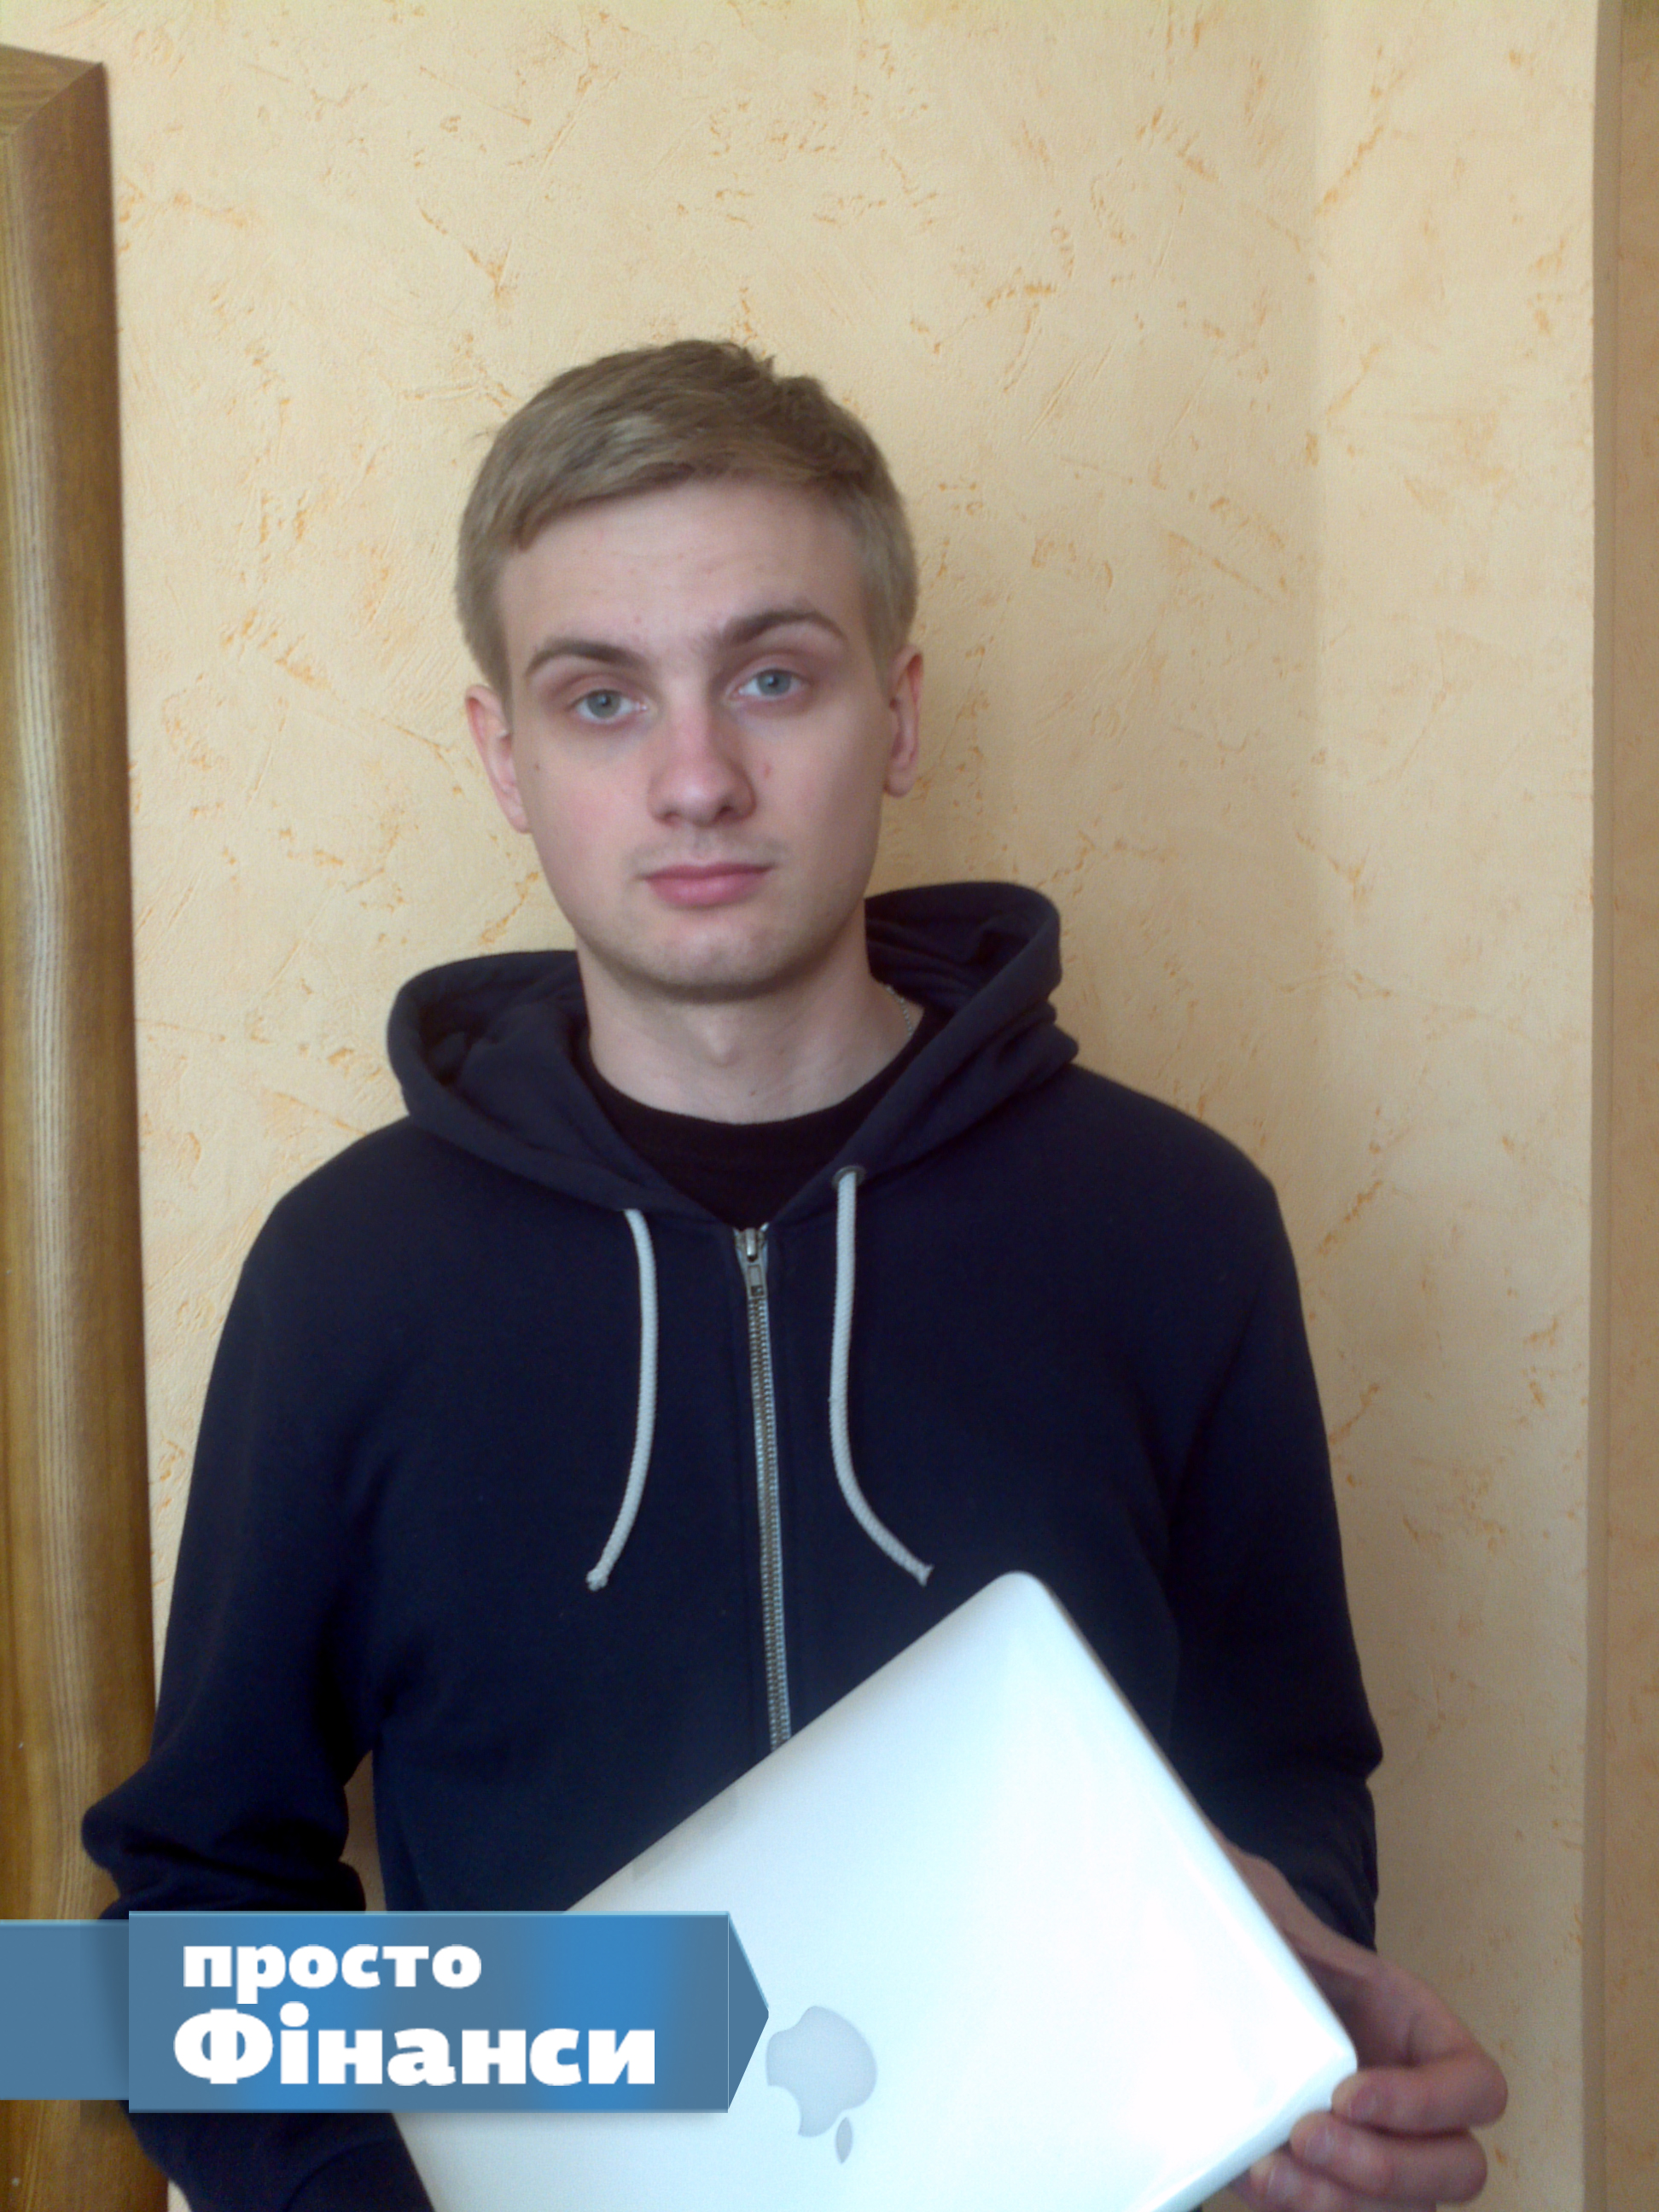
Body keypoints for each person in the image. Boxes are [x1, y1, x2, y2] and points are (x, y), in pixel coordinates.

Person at [86, 340, 1505, 2210]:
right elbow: (167, 1958)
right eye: (602, 700)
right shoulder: (347, 1274)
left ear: (898, 717)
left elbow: (1287, 1788)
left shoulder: (1178, 1225)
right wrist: (557, 2096)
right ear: (504, 759)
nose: (697, 779)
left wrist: (1262, 2038)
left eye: (773, 676)